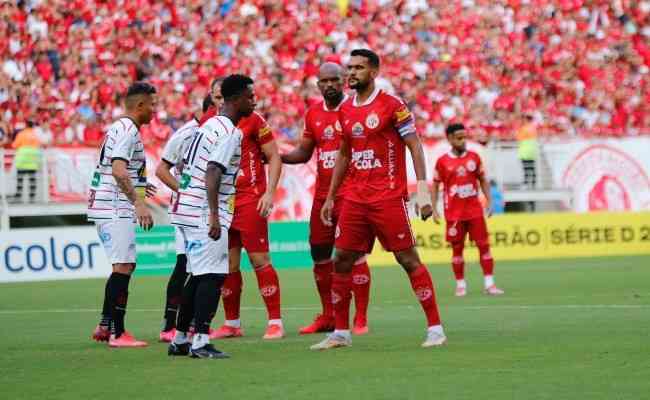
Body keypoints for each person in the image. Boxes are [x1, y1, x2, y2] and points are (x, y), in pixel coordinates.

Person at [311, 49, 446, 350]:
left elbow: (415, 145)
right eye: (350, 68)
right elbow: (345, 154)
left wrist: (422, 192)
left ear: (373, 72)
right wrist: (331, 197)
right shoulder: (345, 109)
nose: (351, 73)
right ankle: (341, 333)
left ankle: (435, 328)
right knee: (341, 260)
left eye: (358, 68)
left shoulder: (391, 105)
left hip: (387, 197)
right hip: (355, 198)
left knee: (408, 259)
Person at [282, 62, 372, 336]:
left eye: (335, 80)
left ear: (343, 81)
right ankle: (329, 315)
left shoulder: (355, 109)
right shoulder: (314, 114)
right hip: (322, 197)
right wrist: (275, 156)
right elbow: (304, 153)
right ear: (318, 85)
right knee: (320, 253)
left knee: (352, 254)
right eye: (324, 81)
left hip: (352, 194)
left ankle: (360, 318)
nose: (330, 85)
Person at [167, 74, 253, 359]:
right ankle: (201, 341)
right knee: (214, 274)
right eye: (250, 96)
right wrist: (215, 215)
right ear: (237, 99)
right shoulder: (230, 132)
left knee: (197, 274)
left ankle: (180, 338)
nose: (254, 101)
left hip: (186, 206)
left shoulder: (208, 126)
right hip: (204, 211)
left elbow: (183, 163)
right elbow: (213, 170)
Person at [210, 79, 284, 341]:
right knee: (227, 264)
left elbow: (274, 156)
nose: (254, 100)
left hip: (251, 200)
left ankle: (275, 322)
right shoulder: (211, 124)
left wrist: (269, 192)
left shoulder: (253, 120)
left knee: (259, 260)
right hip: (223, 204)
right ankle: (232, 323)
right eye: (216, 97)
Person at [88, 82, 157, 347]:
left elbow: (115, 168)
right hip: (114, 206)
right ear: (140, 105)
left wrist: (140, 186)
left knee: (125, 264)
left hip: (106, 204)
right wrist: (138, 202)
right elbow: (118, 170)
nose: (155, 110)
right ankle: (118, 333)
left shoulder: (119, 127)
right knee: (124, 266)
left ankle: (106, 324)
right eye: (152, 104)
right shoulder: (128, 130)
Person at [155, 94, 214, 342]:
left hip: (205, 209)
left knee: (201, 267)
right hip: (186, 209)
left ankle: (192, 324)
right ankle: (170, 324)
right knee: (184, 264)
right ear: (212, 106)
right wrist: (185, 191)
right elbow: (161, 170)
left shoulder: (215, 132)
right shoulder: (185, 134)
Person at [431, 123, 505, 297]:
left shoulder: (474, 157)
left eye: (465, 137)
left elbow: (483, 180)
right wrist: (434, 208)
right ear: (449, 139)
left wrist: (489, 200)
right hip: (454, 214)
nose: (463, 141)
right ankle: (461, 285)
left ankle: (490, 284)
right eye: (459, 137)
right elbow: (435, 185)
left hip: (474, 211)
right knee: (457, 249)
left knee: (484, 247)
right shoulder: (442, 161)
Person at [11, 121, 42, 203]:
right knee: (32, 180)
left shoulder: (21, 134)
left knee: (20, 179)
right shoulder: (35, 135)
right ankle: (32, 197)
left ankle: (18, 197)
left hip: (22, 160)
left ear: (26, 126)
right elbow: (39, 145)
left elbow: (14, 145)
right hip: (32, 161)